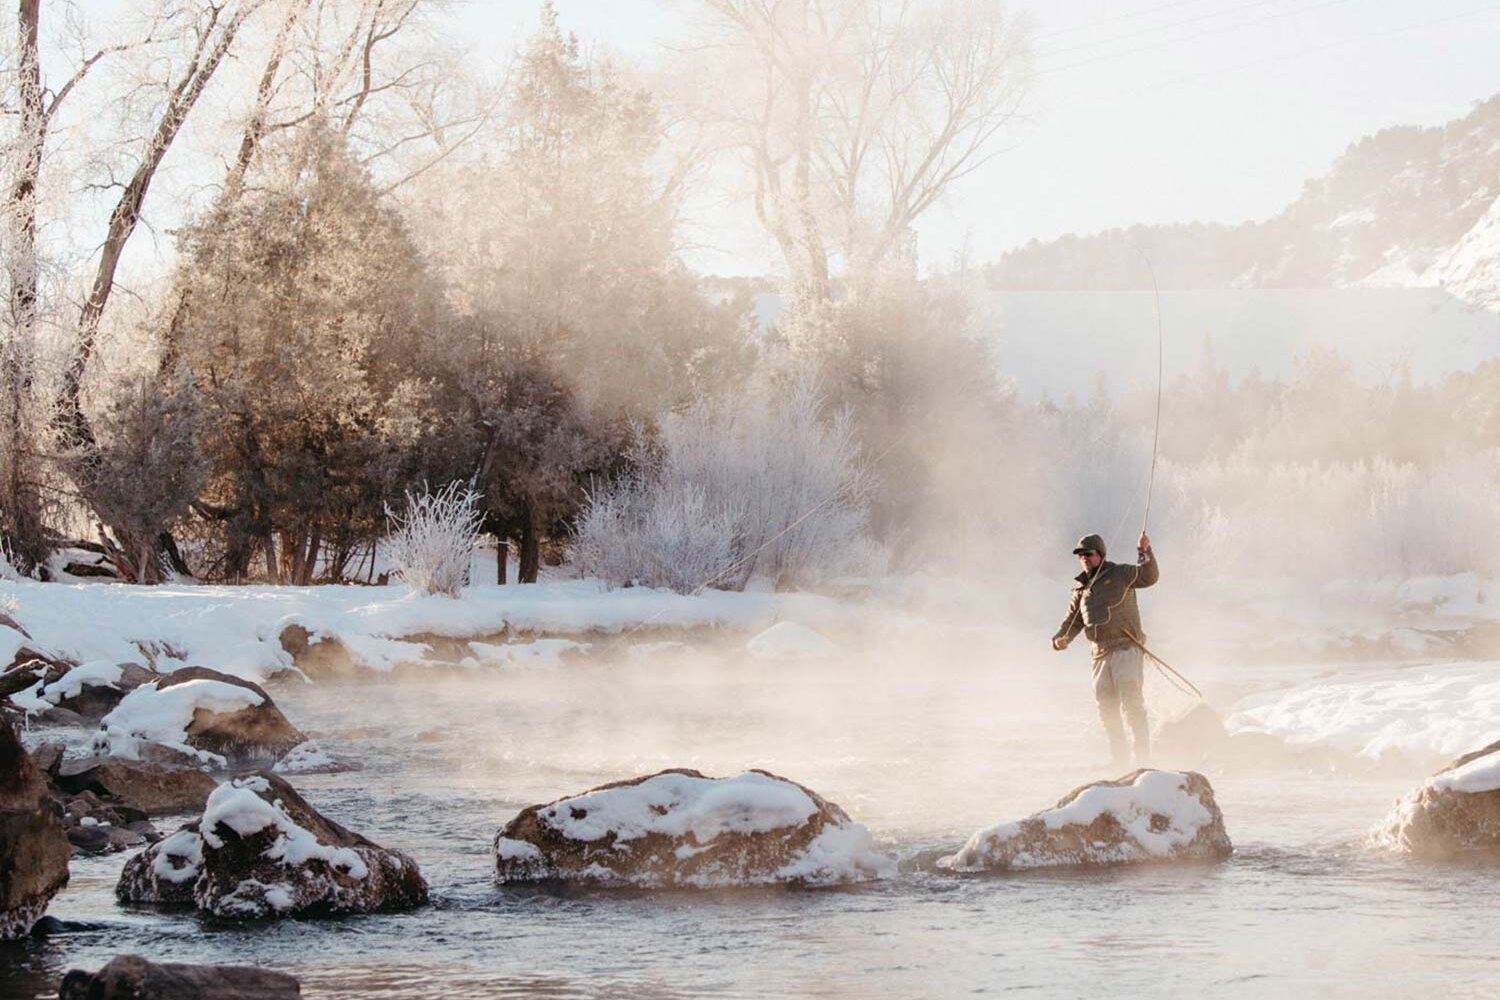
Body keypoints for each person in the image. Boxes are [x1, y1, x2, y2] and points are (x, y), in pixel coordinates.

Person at [1051, 531, 1159, 766]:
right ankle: (1119, 761)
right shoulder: (1080, 589)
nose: (1084, 559)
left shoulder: (1121, 573)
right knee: (1107, 710)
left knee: (1132, 703)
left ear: (1100, 554)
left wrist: (1144, 551)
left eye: (1088, 554)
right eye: (1080, 556)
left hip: (1126, 648)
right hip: (1099, 654)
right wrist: (1061, 639)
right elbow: (1072, 621)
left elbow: (1149, 577)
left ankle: (1143, 759)